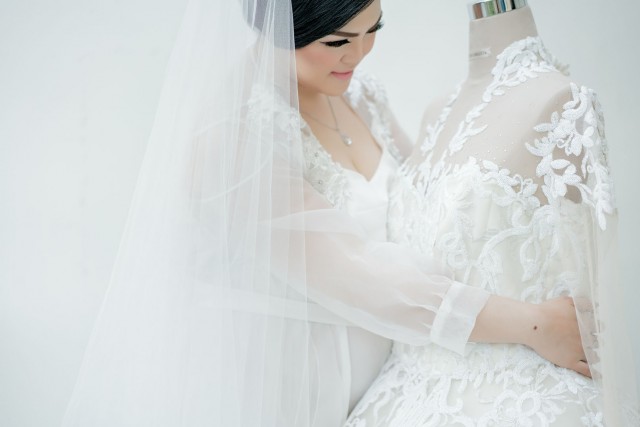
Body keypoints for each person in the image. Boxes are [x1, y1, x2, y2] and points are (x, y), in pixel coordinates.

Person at [62, 1, 593, 426]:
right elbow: (358, 275)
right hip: (297, 391)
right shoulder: (234, 142)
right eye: (337, 41)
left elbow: (424, 207)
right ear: (277, 24)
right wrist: (532, 324)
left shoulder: (359, 96)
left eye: (373, 29)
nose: (358, 54)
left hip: (402, 374)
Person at [347, 2, 639, 425]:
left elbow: (590, 282)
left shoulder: (562, 101)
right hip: (399, 391)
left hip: (516, 397)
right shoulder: (436, 112)